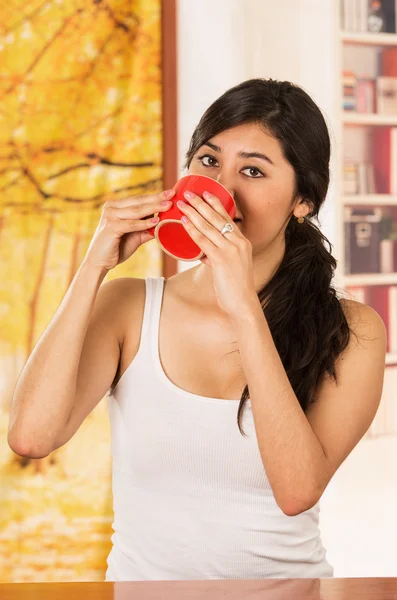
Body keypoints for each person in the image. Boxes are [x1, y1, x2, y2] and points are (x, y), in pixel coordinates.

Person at [8, 79, 386, 580]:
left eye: (253, 170)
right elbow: (32, 436)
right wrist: (93, 266)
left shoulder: (353, 331)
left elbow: (297, 492)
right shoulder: (128, 306)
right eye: (209, 161)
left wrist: (243, 307)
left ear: (304, 201)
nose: (222, 190)